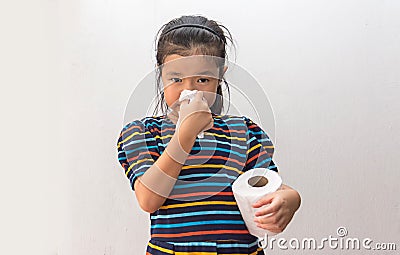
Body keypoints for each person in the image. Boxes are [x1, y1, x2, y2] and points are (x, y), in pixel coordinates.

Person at [117, 15, 301, 255]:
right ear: (160, 74)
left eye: (203, 79)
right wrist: (186, 134)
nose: (189, 90)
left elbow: (268, 185)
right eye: (176, 79)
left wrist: (291, 199)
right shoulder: (142, 134)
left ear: (220, 76)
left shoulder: (243, 133)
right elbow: (148, 199)